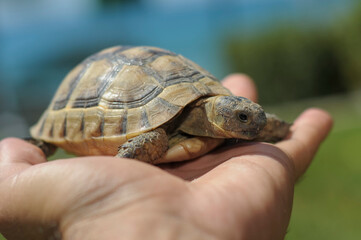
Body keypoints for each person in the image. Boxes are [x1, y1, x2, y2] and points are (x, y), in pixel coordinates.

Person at [0, 74, 332, 240]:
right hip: (105, 96)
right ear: (216, 116)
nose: (254, 123)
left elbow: (258, 122)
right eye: (242, 119)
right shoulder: (158, 135)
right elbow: (153, 136)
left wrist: (270, 127)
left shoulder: (221, 114)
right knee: (155, 138)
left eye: (249, 116)